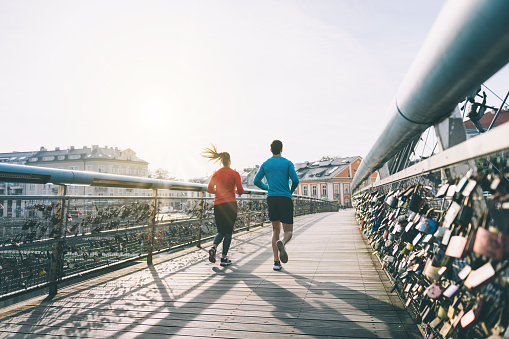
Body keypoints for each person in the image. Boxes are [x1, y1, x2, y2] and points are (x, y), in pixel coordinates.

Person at [254, 140, 299, 271]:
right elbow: (295, 180)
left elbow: (256, 181)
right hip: (285, 198)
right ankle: (283, 243)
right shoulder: (288, 163)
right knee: (288, 231)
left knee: (275, 230)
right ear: (281, 149)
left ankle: (276, 262)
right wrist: (289, 191)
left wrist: (267, 188)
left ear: (270, 150)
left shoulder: (266, 164)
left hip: (272, 198)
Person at [202, 144, 244, 267]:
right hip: (230, 204)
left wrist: (218, 192)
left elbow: (209, 189)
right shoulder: (235, 174)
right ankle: (224, 258)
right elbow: (241, 191)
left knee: (221, 230)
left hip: (218, 204)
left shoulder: (216, 173)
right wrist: (235, 191)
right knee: (228, 232)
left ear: (220, 161)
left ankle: (214, 247)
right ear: (230, 161)